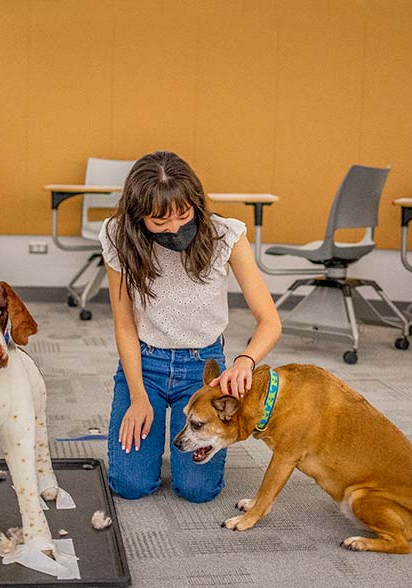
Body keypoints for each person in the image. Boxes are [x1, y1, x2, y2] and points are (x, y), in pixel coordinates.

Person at [100, 151, 281, 502]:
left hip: (204, 369)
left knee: (198, 490)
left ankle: (170, 443)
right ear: (139, 217)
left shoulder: (225, 236)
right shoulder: (117, 236)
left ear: (196, 203)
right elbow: (124, 326)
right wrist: (137, 396)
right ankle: (148, 431)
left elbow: (270, 321)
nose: (175, 228)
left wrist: (245, 361)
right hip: (145, 363)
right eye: (159, 221)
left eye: (184, 215)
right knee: (130, 486)